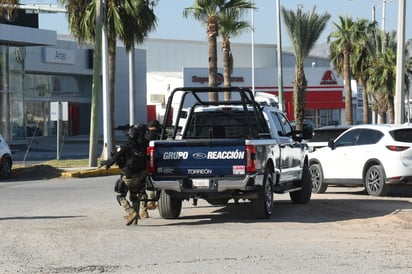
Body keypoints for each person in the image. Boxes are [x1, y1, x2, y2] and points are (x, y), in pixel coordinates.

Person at [101, 123, 149, 226]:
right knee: (135, 196)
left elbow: (113, 159)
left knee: (120, 195)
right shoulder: (145, 146)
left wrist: (105, 163)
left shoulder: (125, 147)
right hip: (141, 176)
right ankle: (135, 218)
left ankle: (131, 212)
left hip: (128, 175)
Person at [139, 120, 162, 218]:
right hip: (160, 162)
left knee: (147, 184)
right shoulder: (162, 135)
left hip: (148, 162)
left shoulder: (146, 137)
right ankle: (153, 202)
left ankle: (147, 206)